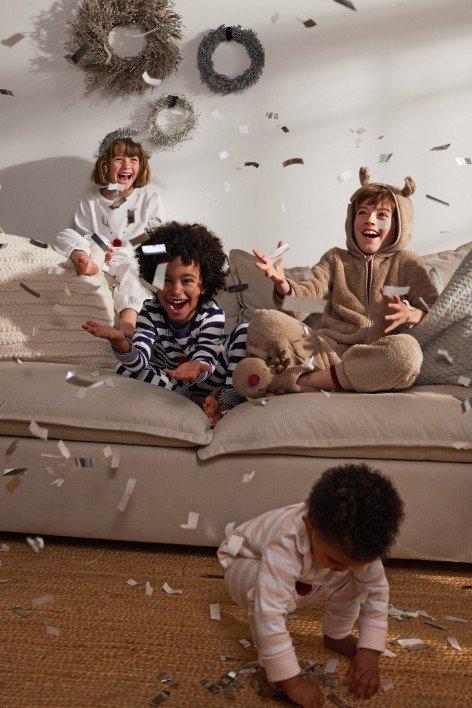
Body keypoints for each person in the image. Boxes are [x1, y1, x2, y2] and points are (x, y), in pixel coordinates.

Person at [218, 463, 404, 706]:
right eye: (335, 560)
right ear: (310, 527)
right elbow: (269, 610)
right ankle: (269, 664)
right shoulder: (286, 540)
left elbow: (376, 593)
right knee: (262, 591)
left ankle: (336, 633)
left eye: (352, 563)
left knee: (356, 580)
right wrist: (291, 680)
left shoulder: (358, 544)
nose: (341, 568)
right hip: (246, 564)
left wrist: (369, 651)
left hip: (304, 578)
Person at [252, 167, 438, 393]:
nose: (370, 220)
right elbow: (306, 303)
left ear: (399, 225)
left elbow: (437, 313)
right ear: (352, 220)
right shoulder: (334, 259)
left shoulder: (408, 263)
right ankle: (323, 376)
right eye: (363, 212)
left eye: (382, 215)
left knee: (406, 354)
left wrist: (412, 314)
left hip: (376, 357)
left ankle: (302, 382)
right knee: (263, 322)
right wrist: (282, 283)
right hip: (326, 351)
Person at [82, 222, 247, 420]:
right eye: (167, 281)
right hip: (173, 382)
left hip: (209, 375)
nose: (176, 290)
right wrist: (121, 344)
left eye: (186, 281)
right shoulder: (150, 312)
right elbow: (139, 361)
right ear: (155, 281)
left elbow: (206, 356)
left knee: (244, 332)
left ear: (203, 285)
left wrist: (196, 367)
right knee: (122, 368)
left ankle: (225, 404)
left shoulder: (211, 313)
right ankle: (189, 400)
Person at [50, 127, 165, 337]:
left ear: (141, 166)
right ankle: (84, 262)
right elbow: (85, 234)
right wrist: (103, 249)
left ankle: (128, 324)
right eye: (119, 159)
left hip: (132, 258)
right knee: (65, 234)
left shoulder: (148, 200)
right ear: (106, 165)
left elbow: (157, 240)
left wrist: (130, 246)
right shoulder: (90, 201)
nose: (127, 165)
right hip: (99, 256)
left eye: (134, 160)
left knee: (131, 272)